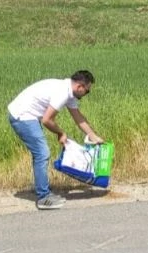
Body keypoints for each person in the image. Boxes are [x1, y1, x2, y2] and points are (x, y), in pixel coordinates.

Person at [7, 70, 104, 210]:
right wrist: (61, 133)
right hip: (22, 116)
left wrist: (93, 136)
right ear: (79, 87)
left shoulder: (69, 92)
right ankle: (43, 197)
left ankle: (43, 191)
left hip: (29, 115)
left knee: (41, 153)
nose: (86, 94)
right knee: (42, 153)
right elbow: (47, 120)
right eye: (87, 91)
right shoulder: (63, 93)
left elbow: (78, 117)